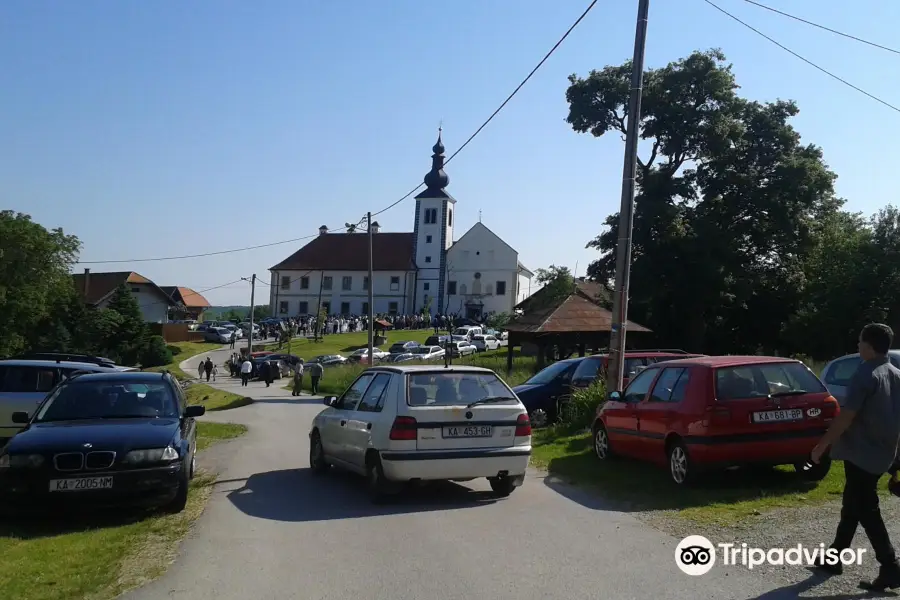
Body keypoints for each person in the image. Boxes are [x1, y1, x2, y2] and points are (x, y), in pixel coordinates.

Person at [812, 323, 900, 590]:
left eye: (860, 342)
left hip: (862, 453)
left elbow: (846, 416)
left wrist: (822, 444)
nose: (858, 346)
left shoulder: (865, 374)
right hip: (882, 453)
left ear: (870, 345)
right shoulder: (896, 373)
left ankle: (891, 566)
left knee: (866, 508)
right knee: (852, 503)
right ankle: (834, 557)